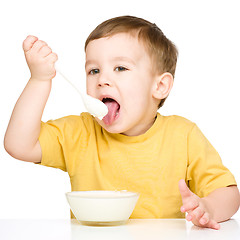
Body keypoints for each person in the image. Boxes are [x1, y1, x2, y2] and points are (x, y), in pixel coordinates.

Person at [4, 16, 240, 229]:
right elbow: (19, 145)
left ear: (159, 86)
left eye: (120, 68)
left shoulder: (183, 135)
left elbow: (229, 194)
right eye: (93, 70)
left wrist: (207, 207)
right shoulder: (80, 132)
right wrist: (39, 80)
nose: (102, 79)